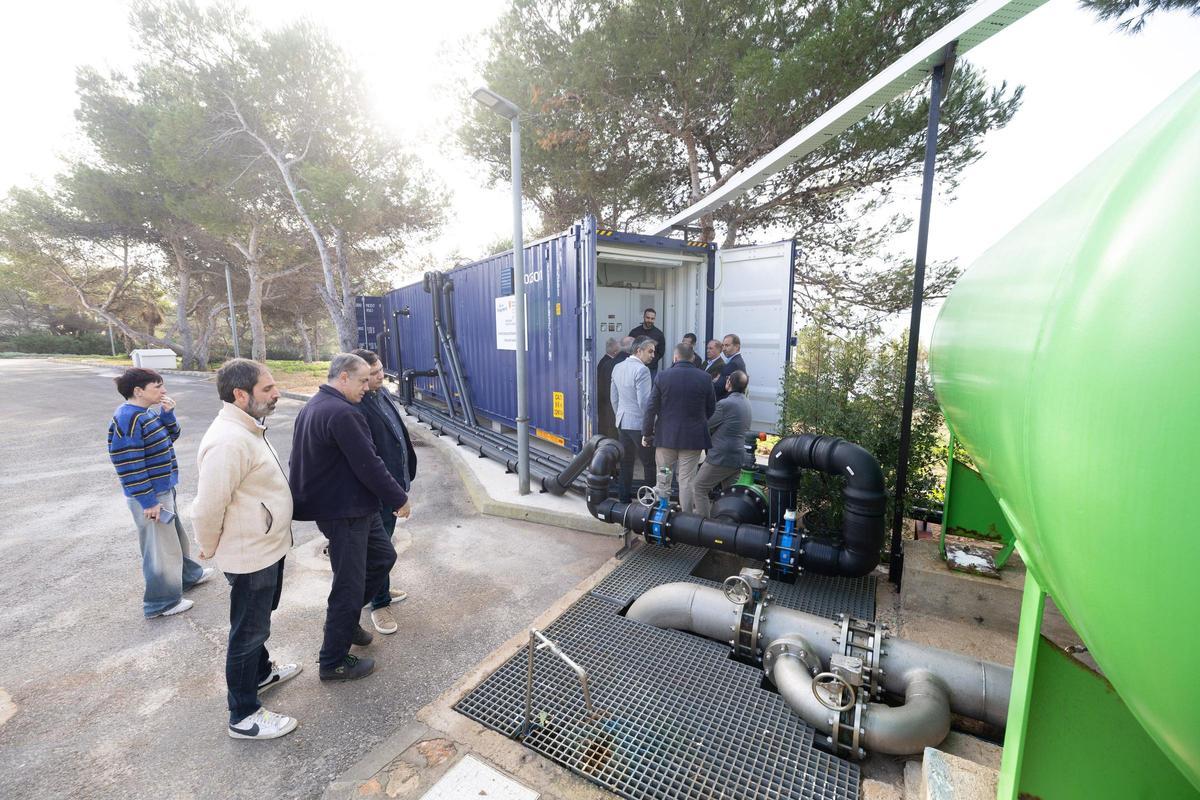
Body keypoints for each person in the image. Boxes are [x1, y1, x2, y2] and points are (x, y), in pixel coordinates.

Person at [192, 358, 300, 740]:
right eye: (267, 389)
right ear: (241, 395)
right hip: (250, 553)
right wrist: (207, 546)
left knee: (260, 621)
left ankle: (260, 673)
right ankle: (243, 714)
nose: (276, 393)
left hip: (266, 547)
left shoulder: (248, 427)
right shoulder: (228, 440)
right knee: (248, 632)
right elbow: (208, 506)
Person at [290, 353, 412, 682]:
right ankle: (333, 661)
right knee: (348, 585)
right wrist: (398, 498)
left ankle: (346, 622)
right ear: (343, 377)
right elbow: (368, 463)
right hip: (344, 511)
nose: (367, 386)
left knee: (383, 556)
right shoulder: (342, 412)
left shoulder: (317, 405)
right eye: (361, 380)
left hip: (355, 507)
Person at [107, 367, 211, 619]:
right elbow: (128, 463)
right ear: (138, 391)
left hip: (163, 489)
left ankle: (186, 576)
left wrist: (168, 414)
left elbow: (170, 436)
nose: (163, 390)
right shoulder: (127, 418)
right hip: (151, 495)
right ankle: (161, 603)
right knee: (159, 548)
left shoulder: (146, 413)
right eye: (157, 387)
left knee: (174, 538)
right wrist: (148, 501)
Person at [352, 348, 418, 635]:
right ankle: (379, 605)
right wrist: (393, 494)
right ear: (361, 377)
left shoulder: (381, 393)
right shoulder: (357, 406)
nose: (380, 375)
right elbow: (369, 460)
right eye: (374, 373)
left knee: (384, 547)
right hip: (380, 493)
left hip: (395, 483)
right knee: (379, 552)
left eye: (380, 370)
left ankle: (383, 591)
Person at [642, 342, 716, 513]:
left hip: (666, 437)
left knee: (664, 476)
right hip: (693, 440)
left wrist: (646, 433)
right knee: (687, 481)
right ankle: (686, 521)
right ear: (693, 358)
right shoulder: (705, 378)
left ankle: (662, 513)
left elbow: (651, 408)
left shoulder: (662, 376)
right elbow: (711, 408)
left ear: (675, 357)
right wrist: (698, 421)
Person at [693, 370, 753, 518]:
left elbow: (707, 423)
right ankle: (727, 526)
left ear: (728, 383)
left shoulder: (725, 404)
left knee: (699, 487)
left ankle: (702, 526)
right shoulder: (746, 402)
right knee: (730, 496)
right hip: (738, 455)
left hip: (721, 456)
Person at [610, 337, 657, 502]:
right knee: (649, 464)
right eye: (650, 351)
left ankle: (623, 499)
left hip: (622, 422)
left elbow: (614, 398)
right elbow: (644, 403)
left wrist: (620, 415)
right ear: (639, 351)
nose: (653, 355)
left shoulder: (617, 367)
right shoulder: (642, 370)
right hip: (639, 424)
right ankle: (649, 499)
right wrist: (651, 425)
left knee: (626, 463)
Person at [628, 308, 666, 380]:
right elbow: (629, 349)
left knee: (649, 390)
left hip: (651, 369)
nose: (650, 320)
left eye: (652, 318)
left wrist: (651, 360)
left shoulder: (659, 334)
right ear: (644, 317)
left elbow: (661, 352)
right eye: (648, 318)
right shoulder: (634, 332)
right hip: (634, 367)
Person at [596, 337, 622, 439]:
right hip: (607, 400)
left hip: (604, 399)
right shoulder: (609, 363)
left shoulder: (604, 361)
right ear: (615, 351)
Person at [714, 333, 748, 400]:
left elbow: (719, 388)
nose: (723, 349)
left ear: (737, 347)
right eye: (723, 346)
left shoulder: (733, 364)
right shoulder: (736, 360)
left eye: (727, 345)